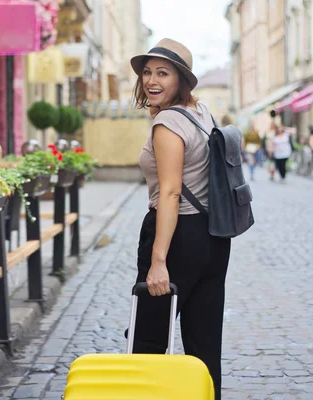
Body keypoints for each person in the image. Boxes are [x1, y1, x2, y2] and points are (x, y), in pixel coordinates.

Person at [127, 38, 231, 399]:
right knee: (204, 346)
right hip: (214, 237)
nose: (151, 81)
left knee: (148, 338)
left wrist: (158, 261)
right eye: (147, 72)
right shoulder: (202, 113)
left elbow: (170, 193)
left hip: (176, 238)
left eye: (163, 73)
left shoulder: (169, 123)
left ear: (182, 80)